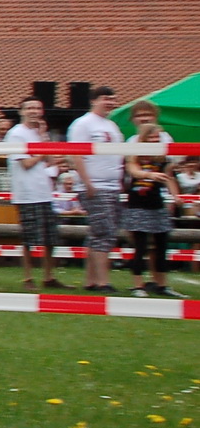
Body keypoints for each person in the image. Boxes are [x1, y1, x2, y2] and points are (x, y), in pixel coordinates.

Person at [67, 86, 123, 292]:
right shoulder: (83, 124)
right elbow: (76, 154)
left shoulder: (112, 126)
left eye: (112, 99)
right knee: (104, 232)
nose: (110, 102)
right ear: (93, 100)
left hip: (112, 186)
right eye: (105, 98)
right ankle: (103, 282)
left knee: (98, 233)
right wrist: (87, 183)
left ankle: (90, 280)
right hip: (95, 186)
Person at [5, 97, 63, 289]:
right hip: (27, 193)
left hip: (45, 191)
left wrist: (44, 139)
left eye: (37, 108)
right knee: (29, 239)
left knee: (50, 239)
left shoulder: (40, 134)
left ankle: (48, 276)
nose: (34, 111)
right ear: (21, 111)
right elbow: (27, 163)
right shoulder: (16, 134)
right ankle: (28, 277)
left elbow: (52, 161)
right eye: (29, 108)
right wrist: (42, 150)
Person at [122, 101, 178, 297]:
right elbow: (133, 170)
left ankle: (162, 285)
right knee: (140, 246)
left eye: (157, 138)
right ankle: (138, 285)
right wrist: (149, 175)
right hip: (138, 204)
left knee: (162, 245)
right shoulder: (134, 154)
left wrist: (175, 196)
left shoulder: (162, 158)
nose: (155, 141)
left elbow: (169, 175)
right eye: (151, 138)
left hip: (157, 204)